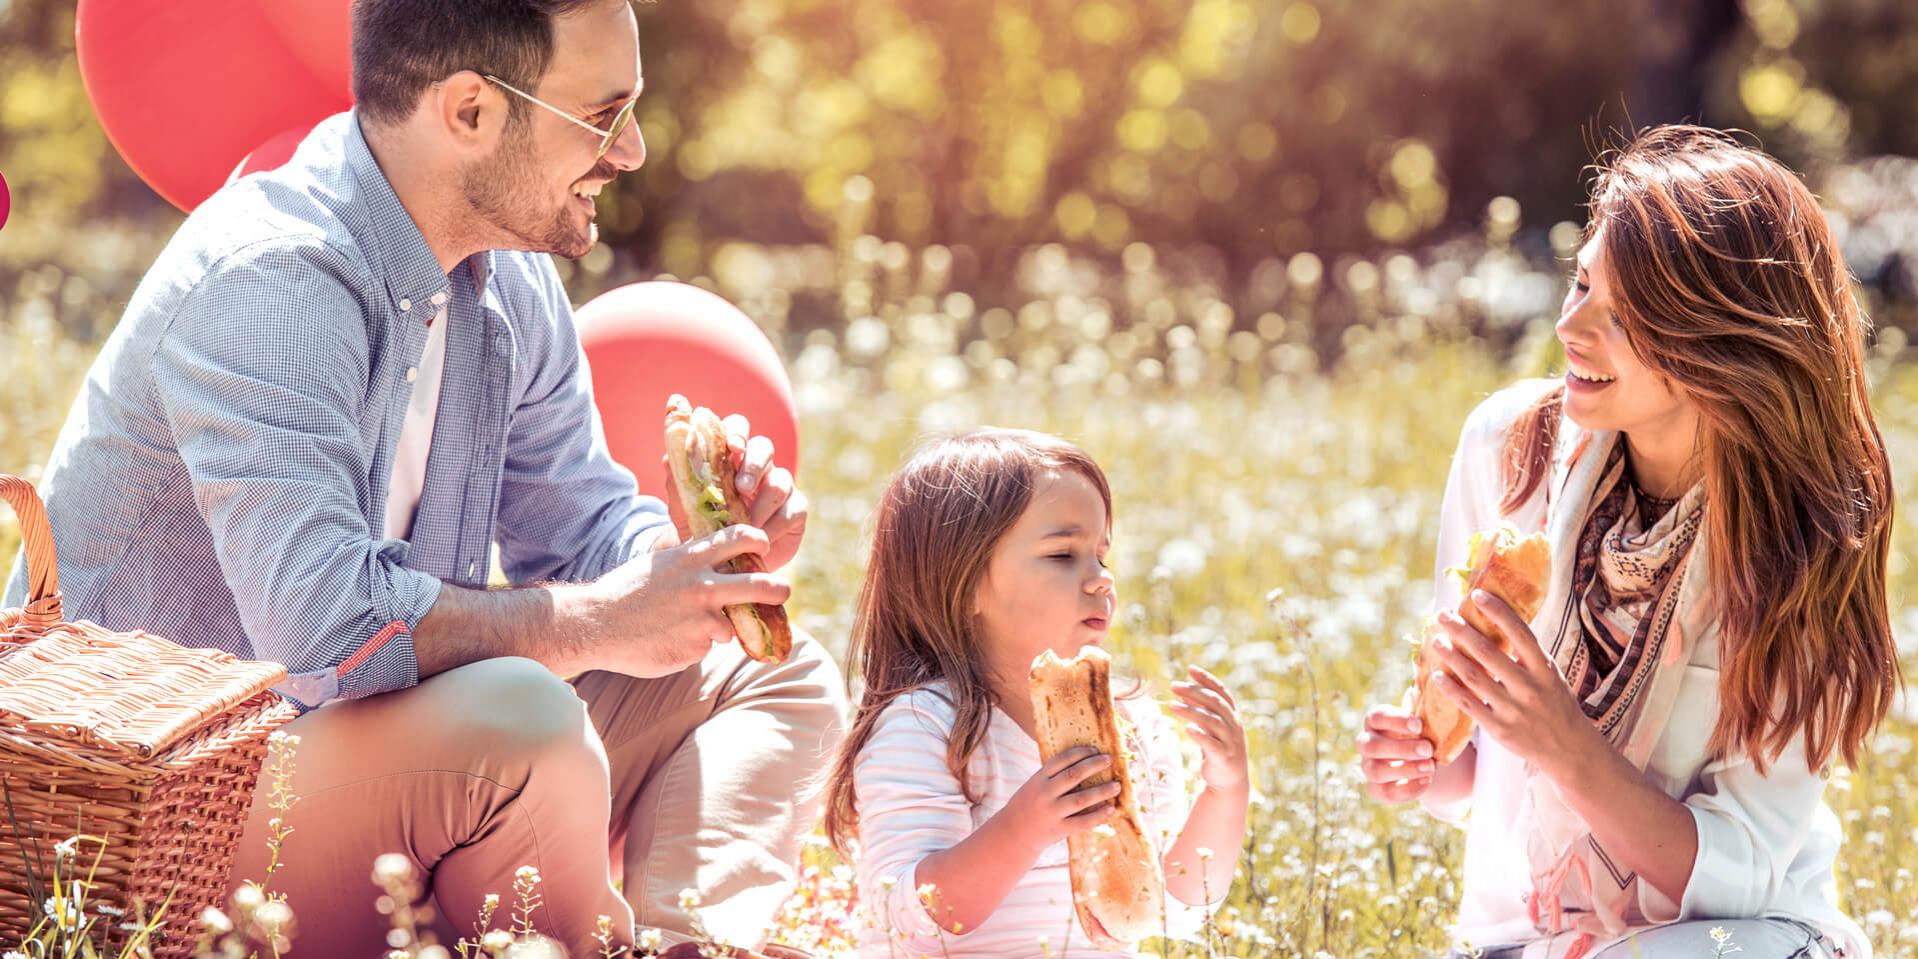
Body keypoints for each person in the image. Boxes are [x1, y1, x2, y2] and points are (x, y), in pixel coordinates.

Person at [0, 1, 845, 953]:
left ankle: (694, 942)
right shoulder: (273, 280)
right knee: (524, 722)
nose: (635, 151)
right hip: (164, 812)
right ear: (471, 111)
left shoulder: (507, 280)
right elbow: (323, 629)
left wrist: (701, 567)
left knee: (778, 680)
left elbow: (586, 529)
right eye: (604, 115)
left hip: (370, 758)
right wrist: (609, 618)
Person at [1357, 126, 1898, 959]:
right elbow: (1467, 773)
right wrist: (1422, 759)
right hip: (1526, 940)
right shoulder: (1508, 449)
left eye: (1625, 312)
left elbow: (1743, 872)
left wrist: (1565, 744)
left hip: (1733, 940)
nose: (1571, 326)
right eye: (1580, 283)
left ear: (1717, 338)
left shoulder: (1806, 536)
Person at [820, 428, 1250, 956]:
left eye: (1101, 556)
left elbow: (1171, 907)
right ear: (965, 583)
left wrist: (1225, 792)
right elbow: (910, 916)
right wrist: (1024, 829)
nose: (1101, 581)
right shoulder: (925, 723)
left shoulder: (1132, 726)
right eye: (1062, 555)